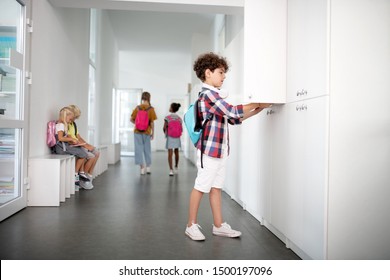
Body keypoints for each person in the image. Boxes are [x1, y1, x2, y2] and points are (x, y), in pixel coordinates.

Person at [185, 52, 272, 241]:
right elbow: (232, 110)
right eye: (221, 72)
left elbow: (232, 118)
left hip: (220, 150)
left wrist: (258, 109)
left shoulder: (216, 96)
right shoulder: (207, 96)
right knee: (201, 186)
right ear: (208, 73)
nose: (224, 77)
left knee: (216, 188)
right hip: (209, 151)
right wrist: (256, 102)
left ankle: (218, 226)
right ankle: (190, 225)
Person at [54, 107, 93, 190]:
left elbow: (65, 136)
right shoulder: (60, 125)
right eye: (70, 119)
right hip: (62, 148)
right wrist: (71, 139)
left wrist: (73, 140)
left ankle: (78, 173)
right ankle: (75, 174)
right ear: (65, 116)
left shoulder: (63, 125)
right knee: (83, 154)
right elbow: (60, 138)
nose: (71, 121)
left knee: (82, 152)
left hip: (64, 146)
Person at [67, 104, 100, 186]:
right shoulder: (66, 124)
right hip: (73, 146)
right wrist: (85, 146)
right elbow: (70, 139)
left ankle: (89, 174)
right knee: (91, 156)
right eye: (74, 117)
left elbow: (78, 137)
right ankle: (83, 176)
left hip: (78, 144)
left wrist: (87, 144)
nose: (74, 120)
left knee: (97, 152)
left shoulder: (73, 124)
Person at [130, 91, 157, 175]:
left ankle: (142, 168)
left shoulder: (137, 108)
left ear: (142, 98)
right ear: (149, 98)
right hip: (147, 132)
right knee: (147, 149)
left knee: (138, 149)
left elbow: (131, 119)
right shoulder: (151, 109)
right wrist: (153, 133)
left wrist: (137, 124)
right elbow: (152, 122)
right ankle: (148, 167)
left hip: (137, 132)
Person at [163, 102, 182, 176]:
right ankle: (176, 167)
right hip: (177, 136)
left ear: (171, 108)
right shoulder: (179, 118)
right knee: (176, 152)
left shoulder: (167, 118)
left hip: (170, 136)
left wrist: (166, 133)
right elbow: (181, 128)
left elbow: (164, 127)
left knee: (170, 153)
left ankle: (171, 170)